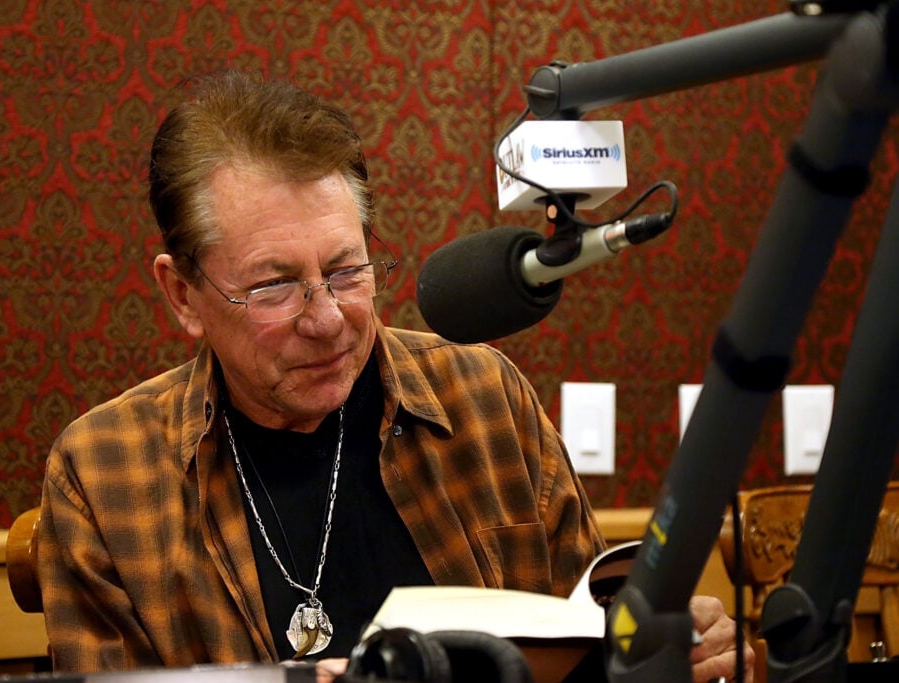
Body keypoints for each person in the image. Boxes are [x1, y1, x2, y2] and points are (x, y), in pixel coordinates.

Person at [38, 68, 753, 682]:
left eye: (347, 270)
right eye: (275, 286)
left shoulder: (485, 402)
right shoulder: (104, 474)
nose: (328, 319)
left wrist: (661, 650)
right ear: (183, 294)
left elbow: (593, 640)